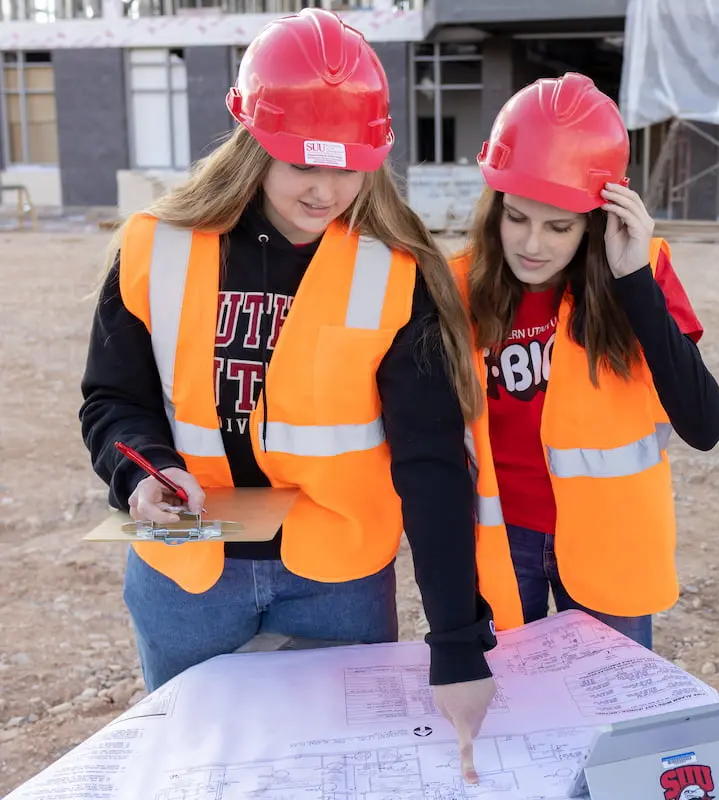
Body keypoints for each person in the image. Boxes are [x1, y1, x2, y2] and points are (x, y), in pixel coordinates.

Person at [79, 9, 493, 782]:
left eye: (348, 165)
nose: (327, 187)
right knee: (199, 776)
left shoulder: (396, 275)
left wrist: (458, 642)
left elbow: (432, 465)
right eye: (304, 161)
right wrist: (142, 475)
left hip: (337, 576)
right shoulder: (154, 247)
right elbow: (112, 402)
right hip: (188, 577)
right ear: (253, 139)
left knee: (336, 774)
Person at [452, 72, 719, 649]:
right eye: (517, 217)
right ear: (495, 205)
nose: (532, 245)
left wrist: (634, 284)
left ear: (597, 219)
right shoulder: (460, 285)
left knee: (611, 719)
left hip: (610, 544)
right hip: (505, 540)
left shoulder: (641, 278)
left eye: (559, 227)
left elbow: (705, 426)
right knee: (513, 718)